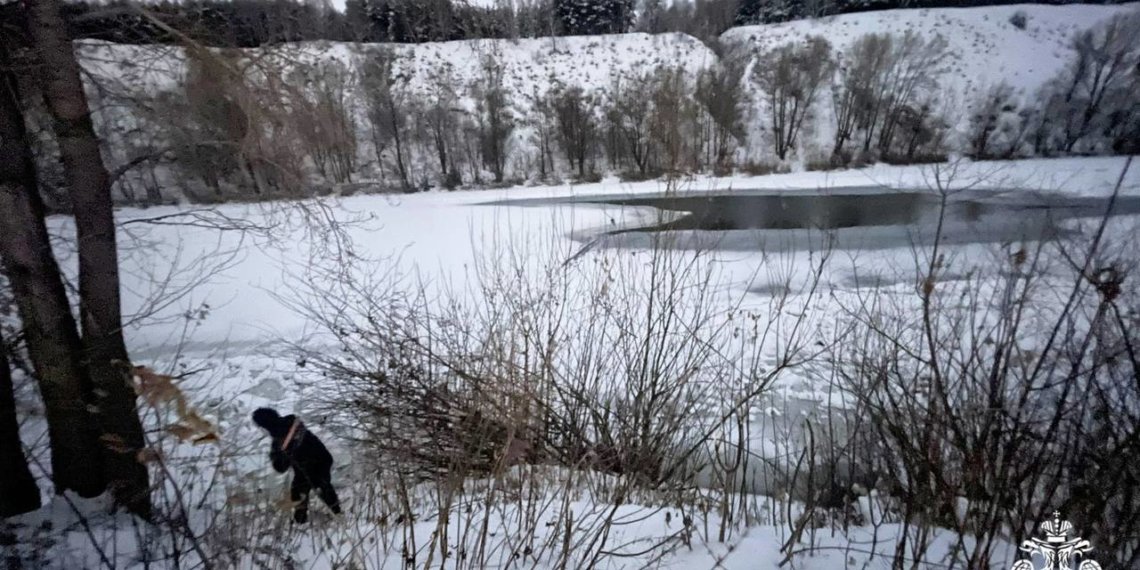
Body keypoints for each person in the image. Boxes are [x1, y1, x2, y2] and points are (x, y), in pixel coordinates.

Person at [252, 407, 341, 523]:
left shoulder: (279, 440)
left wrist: (275, 455)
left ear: (264, 425)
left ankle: (336, 516)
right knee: (303, 490)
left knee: (319, 487)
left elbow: (280, 467)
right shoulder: (291, 422)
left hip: (316, 463)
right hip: (318, 460)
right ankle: (333, 514)